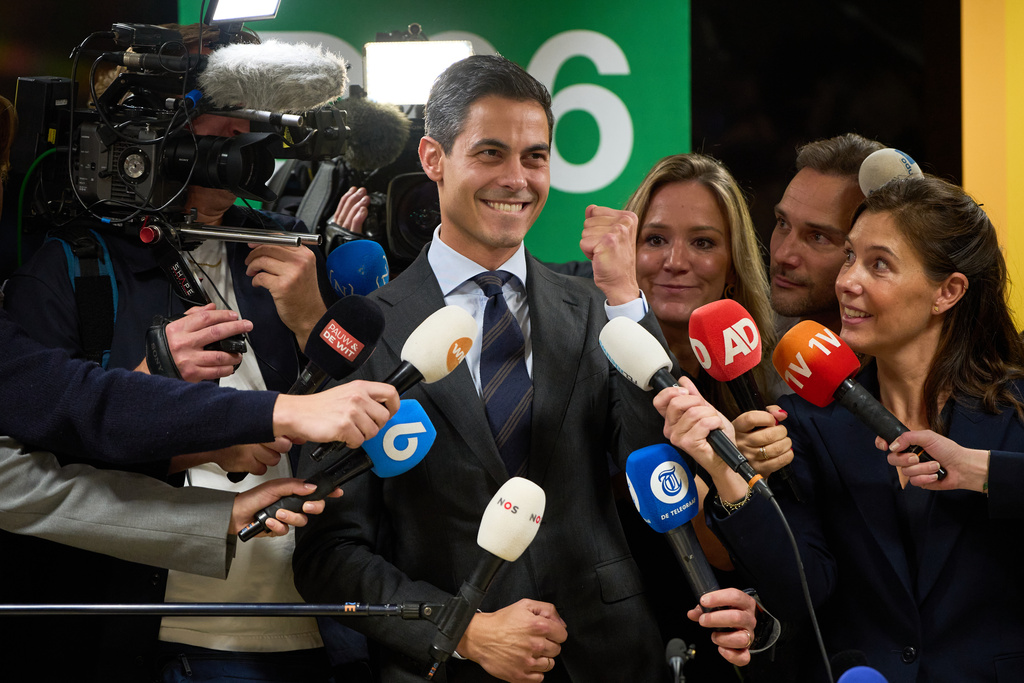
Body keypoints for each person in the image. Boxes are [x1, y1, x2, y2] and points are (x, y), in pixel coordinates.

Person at [293, 54, 763, 683]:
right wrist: (462, 630)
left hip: (612, 660)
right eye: (490, 153)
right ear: (433, 159)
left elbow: (663, 478)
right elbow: (328, 553)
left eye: (534, 157)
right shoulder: (364, 330)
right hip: (451, 666)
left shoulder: (601, 309)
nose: (517, 179)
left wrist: (626, 299)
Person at [1, 23, 389, 682]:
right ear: (143, 145)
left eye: (246, 139)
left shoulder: (284, 247)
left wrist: (306, 319)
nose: (241, 162)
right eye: (216, 140)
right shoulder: (74, 270)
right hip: (168, 625)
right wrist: (163, 400)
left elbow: (368, 401)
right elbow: (41, 451)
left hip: (318, 617)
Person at [658, 175, 1024, 681]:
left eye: (879, 264)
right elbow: (803, 587)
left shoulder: (1016, 406)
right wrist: (728, 472)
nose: (848, 281)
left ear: (948, 291)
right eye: (850, 257)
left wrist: (981, 472)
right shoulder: (808, 423)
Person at [769, 133, 884, 334]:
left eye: (818, 237)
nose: (782, 255)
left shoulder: (904, 364)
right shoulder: (758, 346)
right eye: (783, 223)